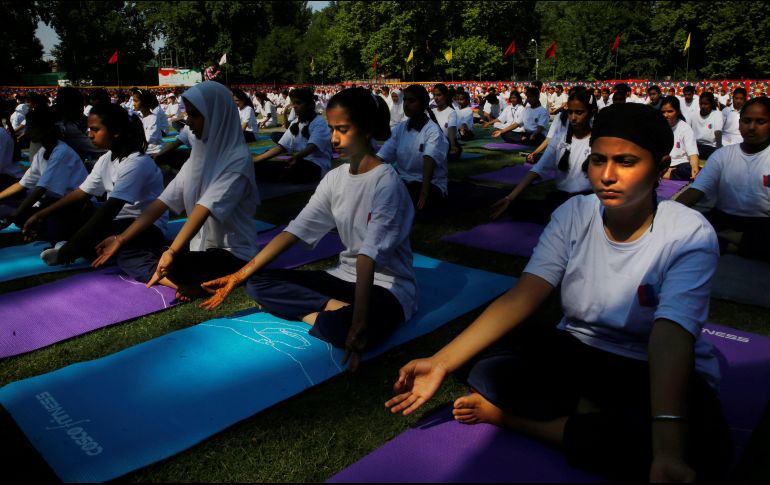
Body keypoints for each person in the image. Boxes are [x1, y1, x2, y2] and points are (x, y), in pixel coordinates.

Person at [386, 103, 733, 483]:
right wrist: (440, 362)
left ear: (661, 166)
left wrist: (667, 451)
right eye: (598, 160)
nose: (607, 175)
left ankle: (522, 419)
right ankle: (595, 417)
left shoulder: (687, 232)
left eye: (626, 162)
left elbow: (670, 336)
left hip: (648, 366)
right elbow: (524, 295)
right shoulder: (574, 214)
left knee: (702, 449)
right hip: (580, 352)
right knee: (480, 358)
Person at [200, 87, 417, 372]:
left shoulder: (386, 182)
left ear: (366, 130)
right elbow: (293, 232)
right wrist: (239, 275)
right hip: (344, 277)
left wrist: (359, 321)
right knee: (257, 283)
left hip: (386, 287)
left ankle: (326, 315)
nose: (334, 139)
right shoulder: (335, 178)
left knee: (354, 331)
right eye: (331, 129)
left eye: (343, 130)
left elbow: (368, 257)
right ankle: (333, 310)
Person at [91, 81, 260, 301]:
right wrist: (121, 239)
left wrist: (172, 252)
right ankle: (184, 281)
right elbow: (163, 201)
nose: (188, 122)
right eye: (188, 114)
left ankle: (189, 281)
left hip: (233, 254)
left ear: (216, 116)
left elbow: (204, 208)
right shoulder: (199, 155)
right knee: (128, 252)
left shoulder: (237, 159)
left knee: (175, 262)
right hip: (198, 249)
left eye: (194, 115)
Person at [23, 103, 167, 282]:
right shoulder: (107, 158)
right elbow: (81, 193)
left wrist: (74, 244)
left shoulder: (136, 163)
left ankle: (75, 247)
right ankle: (74, 246)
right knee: (66, 214)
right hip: (118, 221)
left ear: (115, 131)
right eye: (89, 129)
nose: (89, 134)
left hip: (144, 225)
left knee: (122, 252)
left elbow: (111, 208)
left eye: (95, 129)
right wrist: (41, 214)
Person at [675, 96, 770, 262]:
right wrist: (670, 211)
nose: (752, 127)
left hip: (762, 223)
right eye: (746, 121)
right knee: (686, 226)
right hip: (723, 218)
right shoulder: (723, 155)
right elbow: (695, 191)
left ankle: (727, 242)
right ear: (739, 123)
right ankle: (736, 242)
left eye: (760, 122)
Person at [490, 88, 597, 222]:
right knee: (519, 206)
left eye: (579, 113)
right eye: (570, 112)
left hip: (588, 201)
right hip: (562, 198)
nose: (573, 118)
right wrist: (509, 198)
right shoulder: (560, 138)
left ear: (592, 113)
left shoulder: (600, 142)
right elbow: (537, 169)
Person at [0, 108, 88, 241]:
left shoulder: (61, 153)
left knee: (34, 221)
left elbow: (40, 189)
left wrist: (15, 215)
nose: (28, 132)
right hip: (54, 201)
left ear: (47, 129)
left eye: (32, 127)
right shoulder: (42, 152)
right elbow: (22, 184)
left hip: (74, 205)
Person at [376, 84, 448, 212]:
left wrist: (424, 193)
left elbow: (428, 162)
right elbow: (382, 156)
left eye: (411, 101)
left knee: (401, 199)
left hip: (429, 184)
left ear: (424, 104)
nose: (406, 104)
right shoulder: (400, 129)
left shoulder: (433, 131)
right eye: (405, 100)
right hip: (403, 181)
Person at [252, 88, 333, 184]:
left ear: (310, 105)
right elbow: (280, 147)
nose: (294, 106)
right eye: (293, 103)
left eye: (298, 103)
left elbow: (312, 146)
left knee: (283, 171)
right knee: (257, 166)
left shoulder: (319, 122)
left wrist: (297, 157)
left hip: (317, 165)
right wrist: (257, 159)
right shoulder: (295, 123)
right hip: (299, 161)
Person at [660, 96, 700, 181]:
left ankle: (663, 173)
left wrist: (695, 168)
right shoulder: (658, 127)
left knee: (690, 170)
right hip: (663, 164)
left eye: (670, 111)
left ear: (677, 112)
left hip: (680, 164)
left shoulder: (685, 128)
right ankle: (665, 172)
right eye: (663, 112)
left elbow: (693, 153)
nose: (666, 115)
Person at [432, 84, 462, 162]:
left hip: (446, 142)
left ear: (445, 96)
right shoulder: (432, 112)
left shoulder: (451, 112)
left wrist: (452, 146)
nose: (435, 98)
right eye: (434, 95)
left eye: (439, 95)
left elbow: (451, 129)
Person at [690, 92, 723, 160]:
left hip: (711, 146)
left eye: (706, 104)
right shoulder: (693, 115)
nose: (702, 106)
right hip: (696, 146)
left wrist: (719, 150)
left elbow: (718, 132)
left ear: (711, 104)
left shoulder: (717, 114)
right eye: (701, 104)